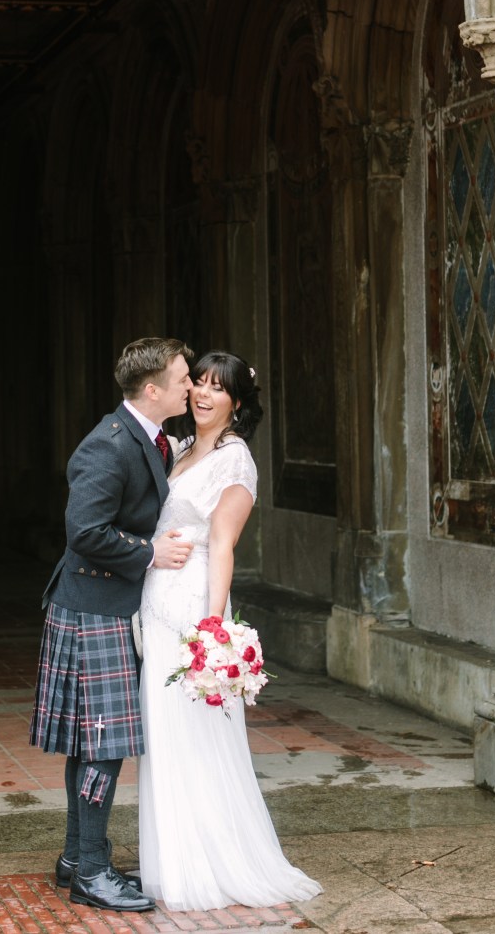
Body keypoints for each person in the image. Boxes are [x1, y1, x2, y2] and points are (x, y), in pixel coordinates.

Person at [137, 351, 323, 910]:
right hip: (155, 602)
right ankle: (173, 861)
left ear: (237, 403)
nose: (202, 394)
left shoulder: (235, 462)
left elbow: (222, 545)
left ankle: (210, 864)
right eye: (199, 383)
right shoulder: (182, 449)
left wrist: (212, 629)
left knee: (197, 740)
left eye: (218, 389)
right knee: (164, 740)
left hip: (191, 610)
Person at [29, 336, 195, 913]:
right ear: (151, 390)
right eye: (181, 379)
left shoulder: (146, 437)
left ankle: (79, 856)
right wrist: (151, 552)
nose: (190, 385)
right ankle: (92, 873)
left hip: (99, 606)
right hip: (92, 608)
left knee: (91, 740)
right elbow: (86, 532)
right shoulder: (107, 446)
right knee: (102, 744)